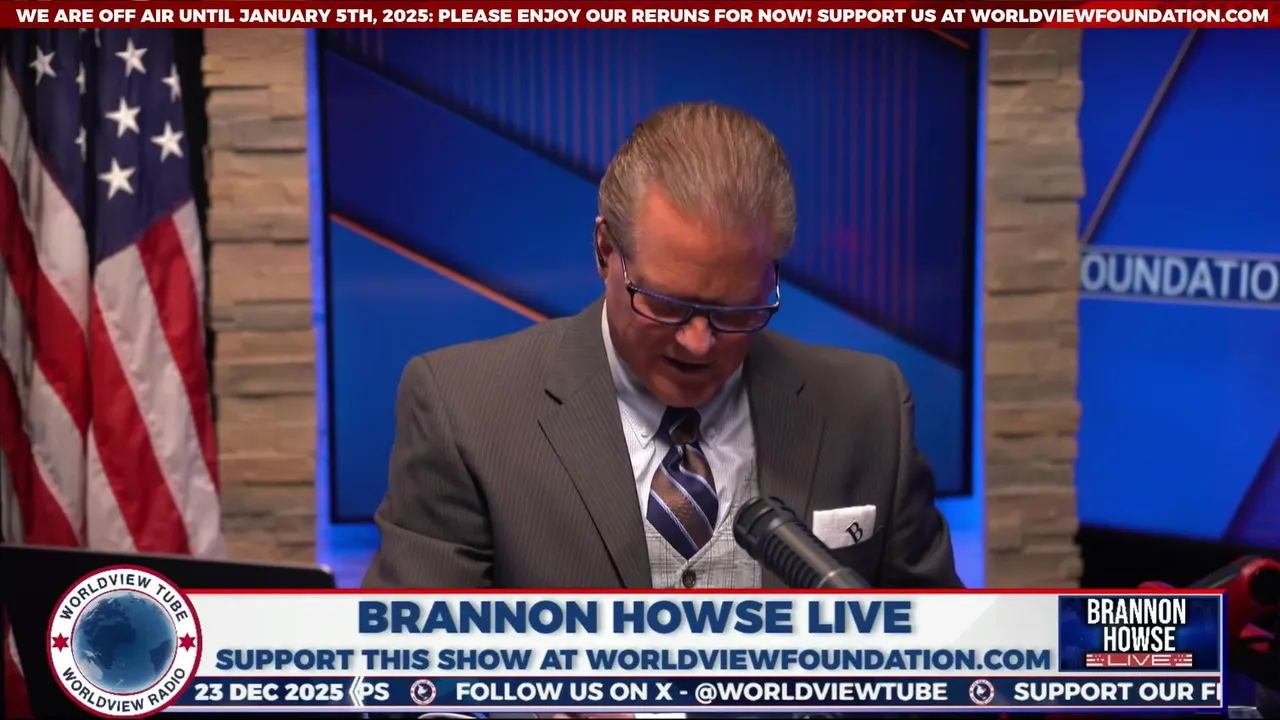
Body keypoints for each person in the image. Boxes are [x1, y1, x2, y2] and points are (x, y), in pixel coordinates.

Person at [363, 101, 962, 593]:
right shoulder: (464, 408)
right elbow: (417, 670)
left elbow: (943, 658)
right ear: (606, 251)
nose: (699, 343)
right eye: (667, 303)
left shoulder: (869, 406)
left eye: (736, 310)